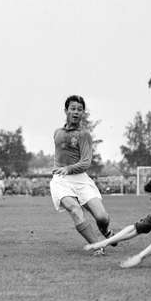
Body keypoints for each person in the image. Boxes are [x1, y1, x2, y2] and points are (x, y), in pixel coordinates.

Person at [50, 95, 114, 256]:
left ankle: (105, 231)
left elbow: (86, 162)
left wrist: (69, 168)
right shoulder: (57, 132)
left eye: (80, 109)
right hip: (61, 181)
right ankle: (97, 246)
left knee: (102, 217)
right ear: (66, 111)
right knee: (75, 210)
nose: (76, 112)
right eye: (73, 108)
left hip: (80, 179)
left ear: (83, 113)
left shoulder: (84, 135)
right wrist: (61, 169)